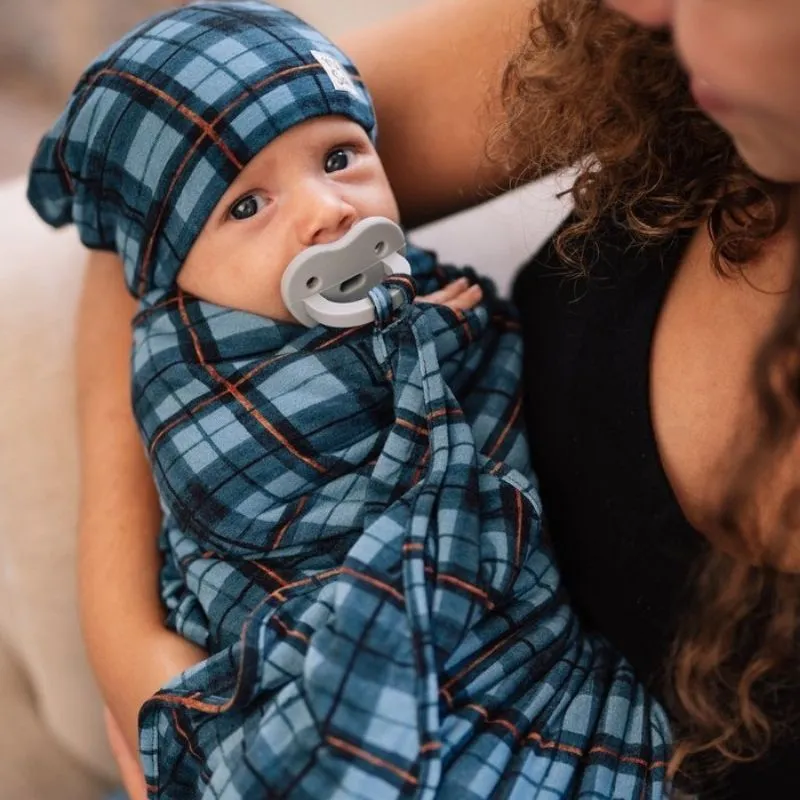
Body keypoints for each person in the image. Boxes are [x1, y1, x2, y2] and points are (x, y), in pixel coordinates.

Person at [68, 0, 799, 797]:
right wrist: (129, 650)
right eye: (255, 204)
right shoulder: (644, 38)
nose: (641, 5)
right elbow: (145, 168)